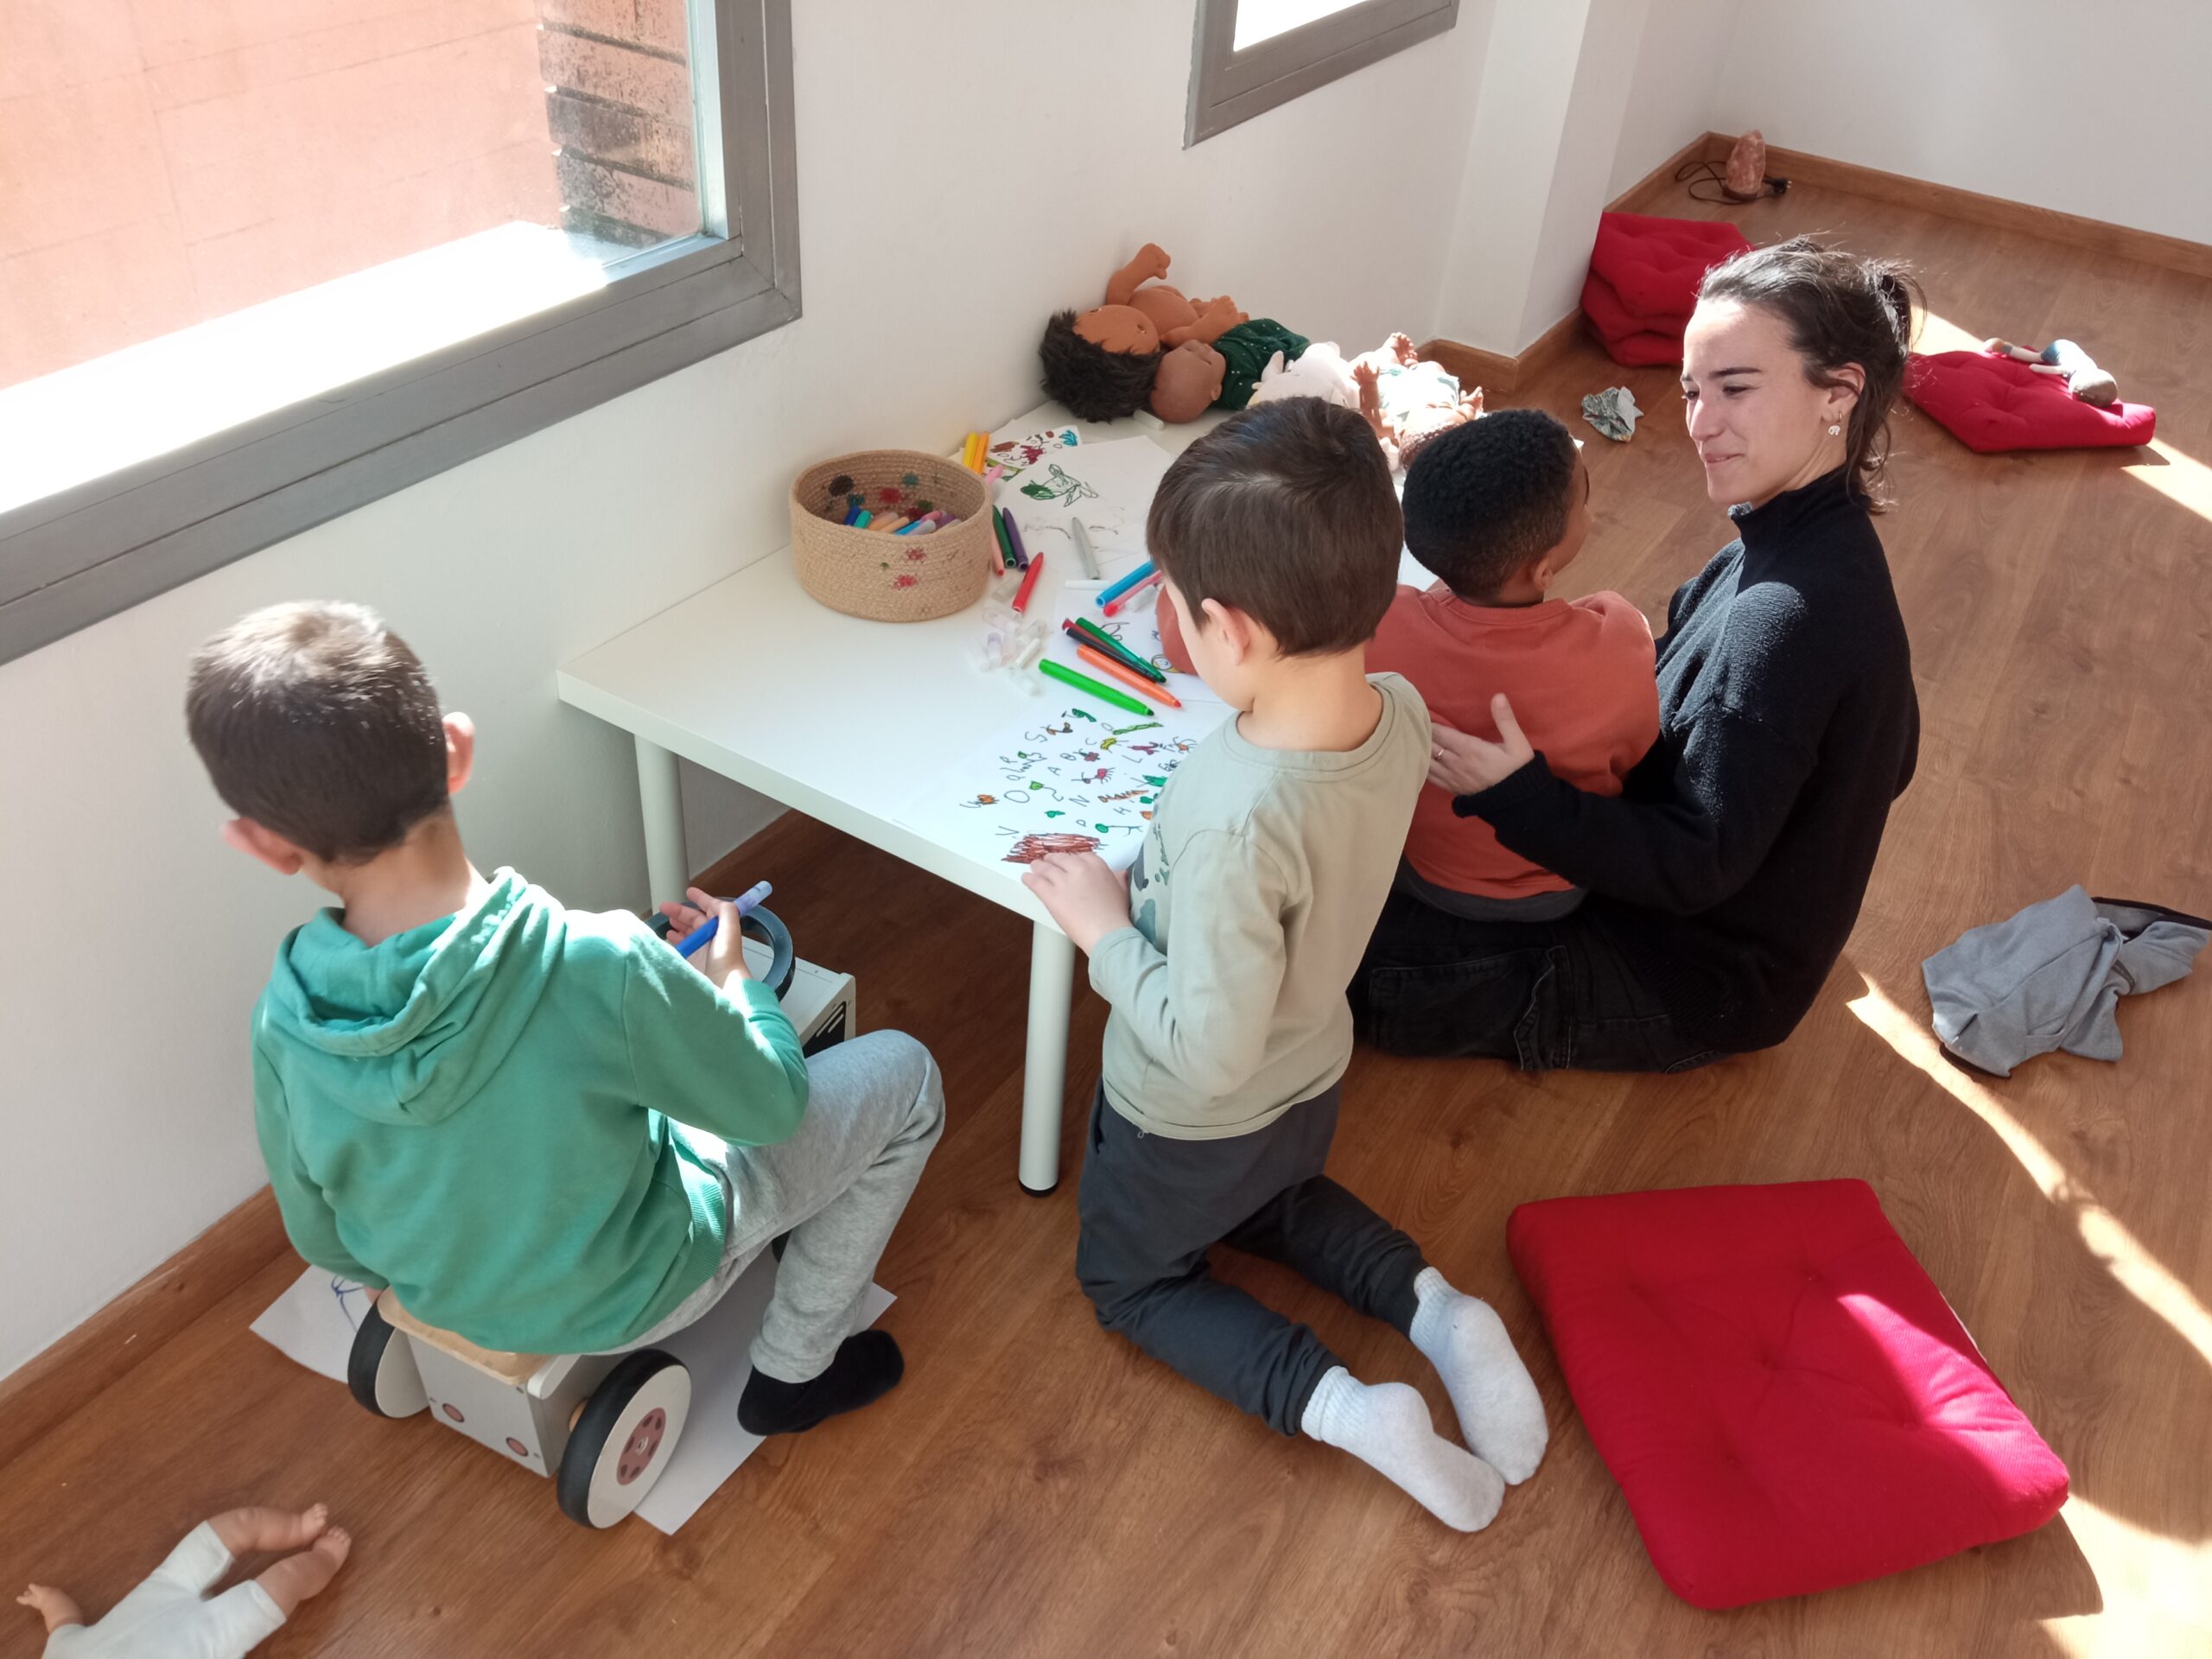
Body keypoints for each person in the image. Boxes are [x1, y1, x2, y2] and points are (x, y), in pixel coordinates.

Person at [185, 603, 943, 1435]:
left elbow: (324, 1240)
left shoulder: (283, 1022)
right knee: (908, 1076)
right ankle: (796, 1372)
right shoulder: (601, 961)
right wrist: (734, 981)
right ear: (456, 750)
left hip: (446, 1299)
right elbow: (772, 1107)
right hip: (644, 1287)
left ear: (264, 844)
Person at [1021, 399, 1548, 1533]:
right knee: (1278, 1204)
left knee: (1133, 1282)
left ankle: (1348, 1406)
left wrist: (1103, 929)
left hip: (1186, 1121)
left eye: (1174, 608)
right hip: (1307, 1081)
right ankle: (1440, 1312)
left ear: (1232, 631)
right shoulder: (1397, 711)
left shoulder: (1234, 817)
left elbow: (1207, 1054)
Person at [1357, 237, 1921, 1069]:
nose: (1701, 423)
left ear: (1838, 392)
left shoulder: (1790, 616)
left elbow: (1695, 867)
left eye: (1735, 388)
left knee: (1334, 953)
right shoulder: (1805, 547)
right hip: (1681, 901)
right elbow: (1892, 756)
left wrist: (1519, 797)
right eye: (1692, 390)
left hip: (1688, 973)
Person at [1369, 408, 1658, 922]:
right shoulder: (1619, 645)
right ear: (1543, 570)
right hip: (1556, 888)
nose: (1589, 513)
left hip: (1420, 869)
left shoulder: (1378, 626)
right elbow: (1635, 755)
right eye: (1584, 502)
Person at [18, 1503, 348, 1658]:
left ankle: (295, 1527)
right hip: (216, 1634)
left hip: (168, 1586)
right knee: (286, 1579)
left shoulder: (57, 1652)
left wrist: (48, 1602)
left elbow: (63, 1621)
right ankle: (326, 1559)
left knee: (237, 1523)